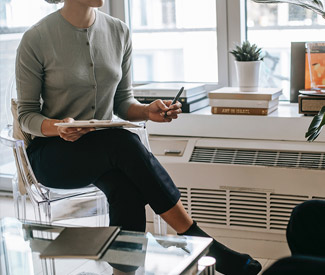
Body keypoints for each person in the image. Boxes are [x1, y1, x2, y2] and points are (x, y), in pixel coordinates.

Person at [16, 0, 261, 274]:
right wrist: (58, 126)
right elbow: (26, 115)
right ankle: (197, 238)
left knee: (125, 185)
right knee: (121, 142)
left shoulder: (119, 31)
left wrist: (148, 111)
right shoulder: (36, 37)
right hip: (53, 154)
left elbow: (122, 102)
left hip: (104, 152)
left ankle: (123, 271)